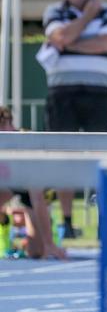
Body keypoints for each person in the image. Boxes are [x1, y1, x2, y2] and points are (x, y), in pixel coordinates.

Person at [41, 0, 107, 239]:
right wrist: (87, 18)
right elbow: (59, 37)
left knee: (104, 156)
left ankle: (105, 223)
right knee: (64, 157)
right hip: (63, 94)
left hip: (98, 93)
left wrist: (70, 42)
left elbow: (106, 44)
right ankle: (66, 222)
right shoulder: (54, 10)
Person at [0, 106, 66, 260]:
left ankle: (50, 238)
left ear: (10, 125)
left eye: (3, 126)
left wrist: (49, 244)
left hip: (35, 189)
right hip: (10, 184)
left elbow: (37, 199)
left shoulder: (25, 144)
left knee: (36, 252)